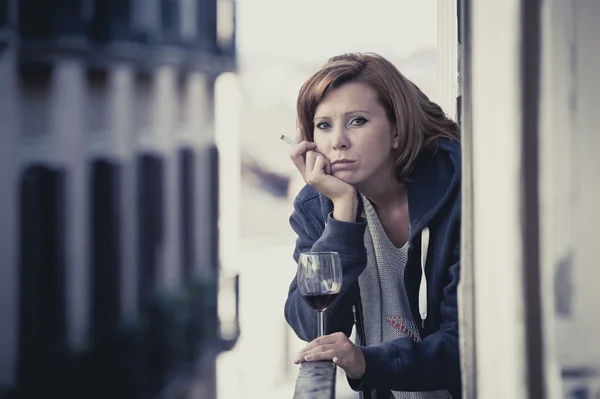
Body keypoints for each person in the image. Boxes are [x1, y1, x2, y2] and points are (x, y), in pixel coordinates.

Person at [284, 52, 461, 399]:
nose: (338, 141)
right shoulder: (318, 206)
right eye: (324, 125)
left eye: (358, 121)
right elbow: (311, 323)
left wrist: (367, 362)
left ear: (397, 131)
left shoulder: (458, 194)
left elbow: (466, 343)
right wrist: (342, 213)